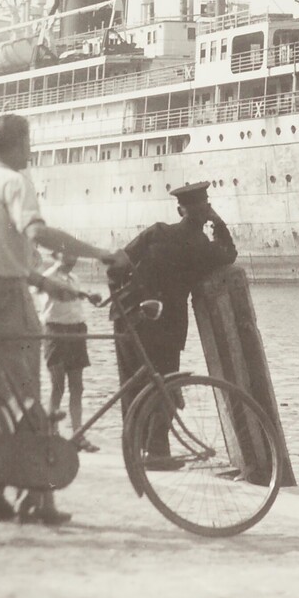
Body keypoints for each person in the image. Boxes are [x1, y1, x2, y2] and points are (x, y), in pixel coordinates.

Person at [0, 112, 113, 525]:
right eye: (28, 142)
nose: (31, 150)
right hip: (4, 299)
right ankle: (37, 501)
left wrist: (43, 281)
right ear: (19, 143)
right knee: (28, 401)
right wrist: (102, 253)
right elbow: (36, 234)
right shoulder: (14, 180)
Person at [107, 181, 238, 468]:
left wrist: (121, 299)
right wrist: (219, 223)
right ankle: (157, 452)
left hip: (130, 317)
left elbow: (115, 265)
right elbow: (229, 253)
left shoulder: (157, 232)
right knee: (165, 383)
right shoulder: (202, 247)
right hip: (166, 325)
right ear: (205, 211)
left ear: (180, 209)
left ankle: (134, 447)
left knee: (132, 383)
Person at [37, 253, 98, 450]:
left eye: (74, 255)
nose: (72, 259)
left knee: (77, 386)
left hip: (76, 331)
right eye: (67, 254)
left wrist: (90, 297)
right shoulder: (48, 277)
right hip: (56, 332)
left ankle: (78, 434)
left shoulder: (75, 279)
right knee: (58, 386)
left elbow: (75, 299)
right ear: (56, 255)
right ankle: (51, 434)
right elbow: (61, 296)